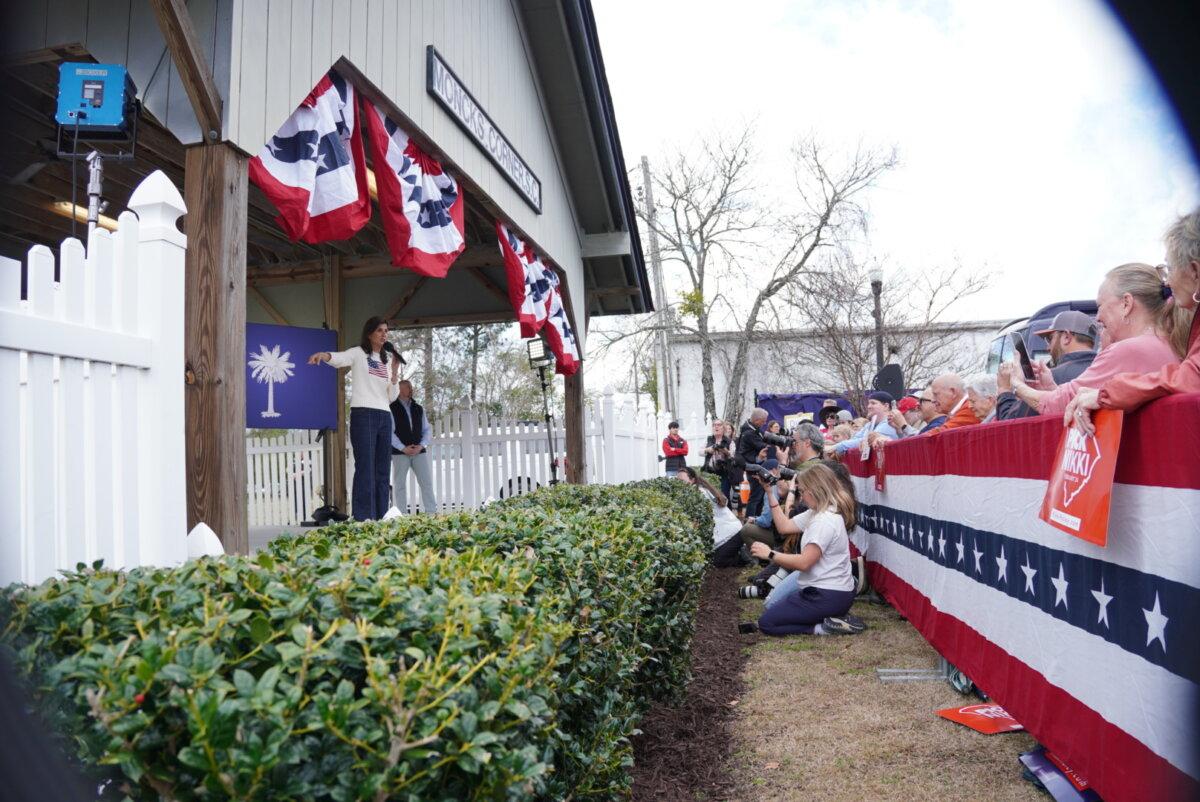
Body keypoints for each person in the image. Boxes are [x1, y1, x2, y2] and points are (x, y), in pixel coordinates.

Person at [1068, 209, 1200, 429]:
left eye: (1169, 268)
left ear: (1194, 271)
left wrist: (1015, 387)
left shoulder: (1131, 348)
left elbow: (1190, 378)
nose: (1167, 283)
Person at [1005, 263, 1185, 417]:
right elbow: (1083, 397)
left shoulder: (1129, 350)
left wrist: (1016, 385)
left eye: (1100, 306)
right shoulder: (1175, 345)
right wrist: (1051, 387)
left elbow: (1062, 404)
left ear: (1126, 303)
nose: (1097, 317)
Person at [737, 464, 864, 636]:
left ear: (815, 491)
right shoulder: (819, 512)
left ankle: (824, 628)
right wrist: (769, 491)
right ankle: (831, 618)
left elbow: (804, 563)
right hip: (831, 592)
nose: (801, 497)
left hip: (825, 595)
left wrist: (770, 554)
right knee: (771, 608)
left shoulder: (823, 521)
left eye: (803, 491)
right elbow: (783, 526)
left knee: (767, 624)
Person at [308, 316, 400, 521]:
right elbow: (341, 358)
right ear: (369, 333)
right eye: (380, 330)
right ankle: (364, 517)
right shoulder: (359, 353)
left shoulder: (385, 361)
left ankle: (382, 516)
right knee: (366, 468)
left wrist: (394, 373)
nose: (385, 334)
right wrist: (324, 355)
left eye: (386, 331)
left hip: (384, 415)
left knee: (383, 469)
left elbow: (392, 397)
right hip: (364, 413)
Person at [996, 311, 1097, 420]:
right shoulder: (1106, 370)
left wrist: (1005, 389)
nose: (1048, 347)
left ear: (1066, 338)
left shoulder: (1053, 376)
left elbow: (1011, 424)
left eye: (1050, 338)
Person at [390, 379, 437, 514]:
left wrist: (421, 446)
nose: (410, 389)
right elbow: (390, 432)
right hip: (400, 453)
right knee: (399, 486)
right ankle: (401, 515)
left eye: (410, 387)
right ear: (399, 391)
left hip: (419, 452)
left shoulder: (418, 408)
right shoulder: (391, 408)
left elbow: (427, 430)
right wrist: (402, 448)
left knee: (426, 483)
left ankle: (431, 514)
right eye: (406, 387)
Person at [677, 467, 742, 554]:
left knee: (718, 562)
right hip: (732, 531)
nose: (678, 484)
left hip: (730, 535)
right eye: (677, 481)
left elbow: (696, 522)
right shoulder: (701, 490)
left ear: (692, 480)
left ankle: (744, 555)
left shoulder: (699, 494)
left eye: (682, 481)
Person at [833, 392, 898, 456]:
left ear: (886, 406)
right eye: (869, 403)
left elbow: (866, 441)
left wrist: (835, 447)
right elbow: (855, 439)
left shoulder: (889, 423)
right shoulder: (869, 425)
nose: (868, 406)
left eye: (873, 403)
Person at [736, 408, 770, 517]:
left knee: (759, 495)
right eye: (763, 421)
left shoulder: (752, 428)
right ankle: (749, 521)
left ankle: (755, 518)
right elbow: (762, 445)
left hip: (753, 465)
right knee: (755, 496)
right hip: (753, 466)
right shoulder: (749, 433)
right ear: (756, 420)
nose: (764, 423)